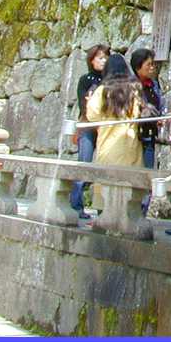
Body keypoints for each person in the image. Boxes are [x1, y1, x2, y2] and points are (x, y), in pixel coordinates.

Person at [86, 53, 144, 212]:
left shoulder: (103, 91)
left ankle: (103, 218)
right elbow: (140, 112)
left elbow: (92, 116)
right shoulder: (135, 89)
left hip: (108, 145)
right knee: (128, 187)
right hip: (130, 145)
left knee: (105, 187)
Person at [71, 44, 108, 219]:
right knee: (83, 165)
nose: (104, 60)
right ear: (91, 60)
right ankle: (76, 205)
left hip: (105, 129)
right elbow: (82, 104)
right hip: (87, 126)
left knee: (103, 168)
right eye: (100, 57)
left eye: (106, 57)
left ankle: (103, 207)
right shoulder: (85, 80)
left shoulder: (110, 80)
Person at [130, 48, 164, 172]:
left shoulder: (153, 84)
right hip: (135, 135)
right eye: (148, 64)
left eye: (153, 64)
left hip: (150, 134)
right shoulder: (130, 86)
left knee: (148, 170)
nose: (152, 67)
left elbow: (159, 103)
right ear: (138, 67)